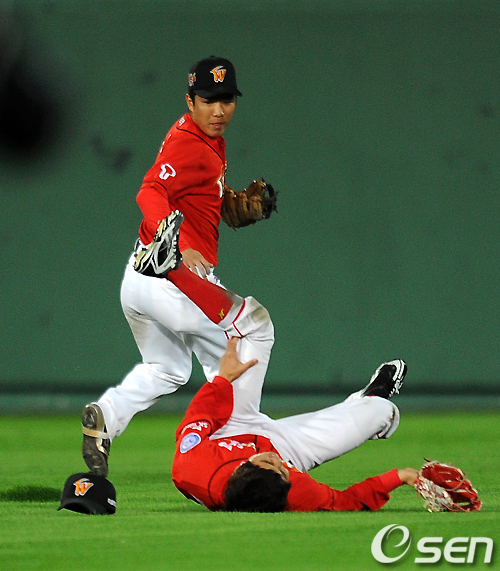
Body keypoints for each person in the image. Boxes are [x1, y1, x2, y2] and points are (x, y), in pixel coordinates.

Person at [131, 211, 419, 512]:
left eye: (274, 466)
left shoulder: (193, 470)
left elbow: (196, 419)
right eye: (285, 471)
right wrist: (401, 476)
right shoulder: (289, 488)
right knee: (382, 412)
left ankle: (171, 270)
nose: (280, 465)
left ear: (244, 468)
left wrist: (223, 380)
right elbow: (345, 502)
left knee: (257, 327)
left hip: (229, 427)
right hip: (285, 444)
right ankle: (366, 400)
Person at [82, 56, 271, 477]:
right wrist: (179, 244)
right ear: (190, 101)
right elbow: (150, 190)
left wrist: (228, 203)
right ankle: (241, 455)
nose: (219, 110)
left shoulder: (202, 138)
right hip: (174, 282)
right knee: (241, 349)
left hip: (138, 280)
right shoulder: (191, 144)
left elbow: (192, 190)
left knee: (167, 369)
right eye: (208, 100)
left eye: (226, 100)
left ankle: (106, 416)